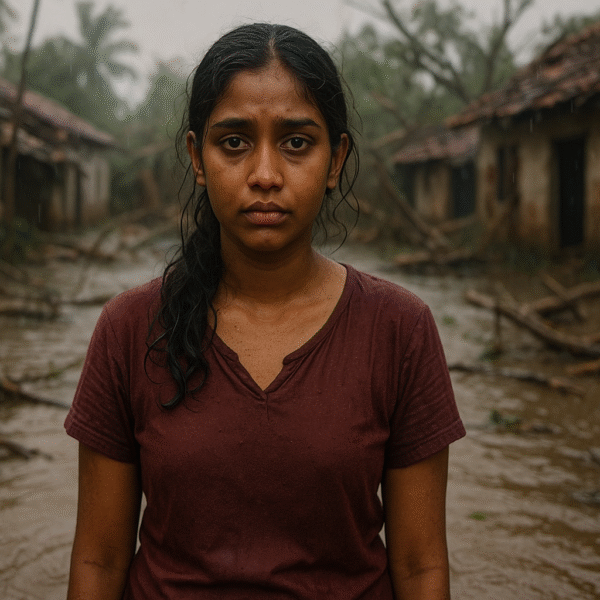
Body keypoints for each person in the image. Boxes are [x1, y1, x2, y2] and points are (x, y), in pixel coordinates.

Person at [64, 22, 465, 600]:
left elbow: (421, 565)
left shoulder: (399, 329)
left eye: (297, 142)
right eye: (234, 142)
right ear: (197, 158)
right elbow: (99, 562)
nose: (266, 175)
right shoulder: (130, 329)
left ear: (336, 159)